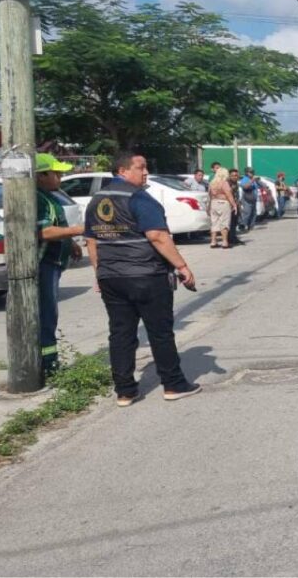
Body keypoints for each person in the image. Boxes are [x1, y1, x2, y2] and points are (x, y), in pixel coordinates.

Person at [83, 152, 203, 406]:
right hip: (146, 275)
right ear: (123, 171)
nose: (146, 172)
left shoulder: (97, 200)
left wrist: (99, 272)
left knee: (121, 334)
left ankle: (125, 391)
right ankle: (173, 384)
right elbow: (157, 236)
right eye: (141, 167)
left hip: (111, 277)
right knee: (160, 332)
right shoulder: (139, 197)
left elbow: (92, 241)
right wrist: (182, 266)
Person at [35, 154, 84, 379]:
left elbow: (57, 225)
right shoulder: (37, 199)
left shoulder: (50, 196)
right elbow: (43, 231)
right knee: (46, 315)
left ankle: (49, 361)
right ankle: (48, 365)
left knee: (50, 313)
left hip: (54, 265)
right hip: (43, 265)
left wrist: (70, 242)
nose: (60, 178)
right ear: (41, 175)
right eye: (56, 173)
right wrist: (78, 230)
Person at [207, 167, 237, 248]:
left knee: (214, 222)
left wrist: (208, 206)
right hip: (223, 203)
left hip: (214, 203)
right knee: (224, 222)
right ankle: (224, 242)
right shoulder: (224, 183)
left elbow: (209, 195)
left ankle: (213, 242)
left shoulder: (212, 183)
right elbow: (229, 195)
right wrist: (234, 205)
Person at [239, 167, 258, 232]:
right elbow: (245, 187)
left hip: (253, 198)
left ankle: (251, 226)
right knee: (247, 213)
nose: (252, 173)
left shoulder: (252, 179)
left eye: (253, 172)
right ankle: (242, 226)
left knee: (253, 213)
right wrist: (251, 181)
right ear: (247, 173)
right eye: (251, 172)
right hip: (247, 198)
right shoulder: (245, 179)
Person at [227, 168, 243, 245]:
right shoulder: (227, 184)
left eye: (236, 175)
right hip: (229, 205)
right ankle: (229, 239)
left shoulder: (236, 183)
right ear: (229, 176)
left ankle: (233, 237)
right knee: (230, 223)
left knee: (234, 222)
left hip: (236, 205)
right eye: (232, 175)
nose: (234, 177)